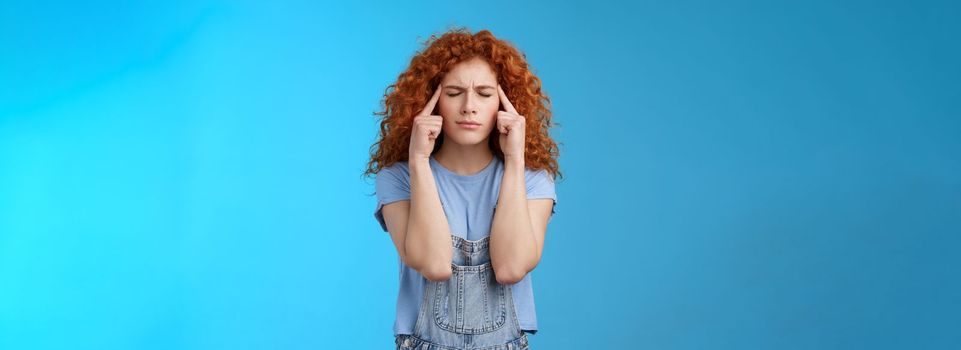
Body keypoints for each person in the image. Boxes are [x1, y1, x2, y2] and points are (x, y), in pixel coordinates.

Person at [364, 27, 561, 350]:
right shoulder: (397, 178)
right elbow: (435, 265)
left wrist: (514, 159)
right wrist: (418, 160)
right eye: (453, 93)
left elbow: (511, 267)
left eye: (484, 94)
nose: (469, 106)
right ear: (430, 101)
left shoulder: (533, 179)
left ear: (505, 102)